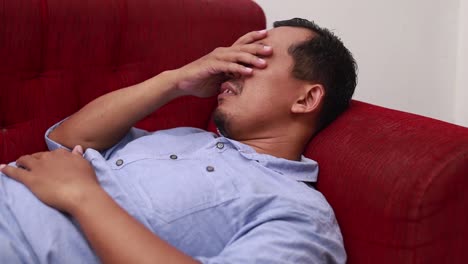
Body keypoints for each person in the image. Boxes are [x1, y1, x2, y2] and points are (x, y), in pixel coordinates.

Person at [0, 18, 357, 263]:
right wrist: (176, 80)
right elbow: (68, 138)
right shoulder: (188, 139)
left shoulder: (301, 214)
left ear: (306, 99)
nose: (232, 67)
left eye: (255, 59)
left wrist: (83, 196)